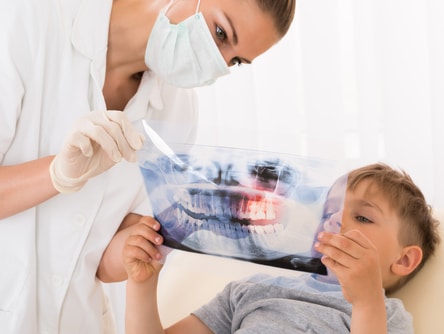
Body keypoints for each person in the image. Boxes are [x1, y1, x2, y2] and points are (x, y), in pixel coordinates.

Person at [0, 0, 295, 333]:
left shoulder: (178, 111)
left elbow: (104, 264)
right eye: (220, 32)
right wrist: (57, 174)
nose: (218, 65)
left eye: (235, 61)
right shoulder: (27, 20)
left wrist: (165, 236)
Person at [116, 163, 440, 333]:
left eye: (362, 217)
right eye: (328, 212)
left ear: (404, 259)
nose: (334, 223)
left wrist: (367, 302)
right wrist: (143, 284)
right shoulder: (253, 289)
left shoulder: (383, 316)